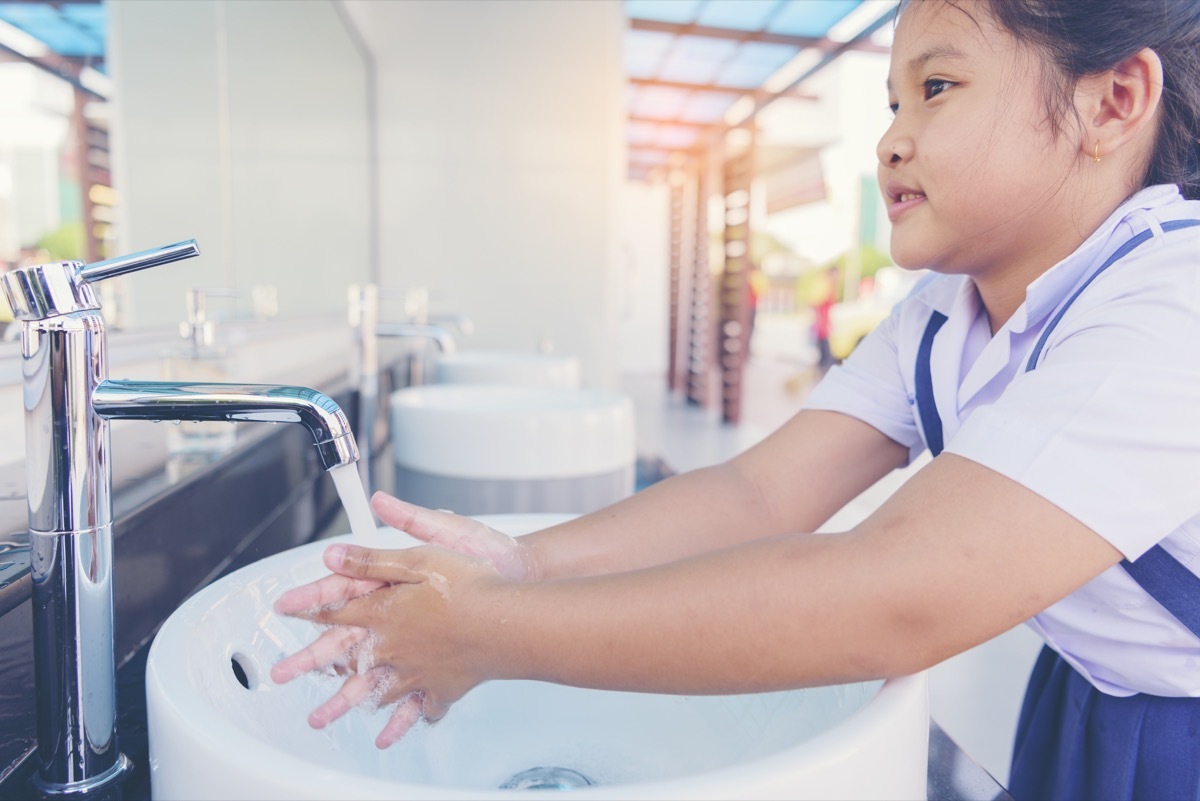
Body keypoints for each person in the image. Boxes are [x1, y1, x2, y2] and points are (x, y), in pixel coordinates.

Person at [271, 1, 1200, 797]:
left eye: (938, 87)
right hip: (1089, 697)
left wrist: (489, 633)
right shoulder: (943, 316)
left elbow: (897, 591)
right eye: (889, 101)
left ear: (1112, 102)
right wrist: (521, 565)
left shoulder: (1173, 303)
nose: (890, 138)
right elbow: (757, 494)